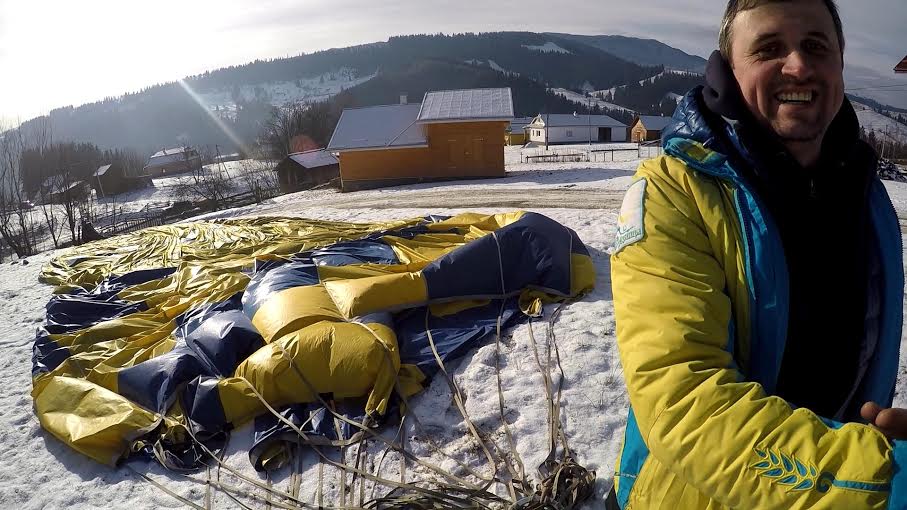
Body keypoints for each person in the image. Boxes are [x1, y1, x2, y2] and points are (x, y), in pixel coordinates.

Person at [607, 0, 907, 508]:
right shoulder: (673, 194)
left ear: (839, 62)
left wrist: (882, 442)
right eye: (769, 48)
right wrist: (875, 480)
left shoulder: (865, 195)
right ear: (727, 67)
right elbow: (684, 401)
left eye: (816, 46)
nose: (798, 65)